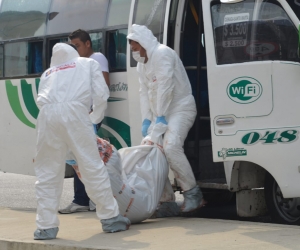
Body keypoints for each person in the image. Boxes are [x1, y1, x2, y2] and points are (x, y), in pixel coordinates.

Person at [33, 43, 130, 240]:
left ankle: (45, 227)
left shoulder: (47, 73)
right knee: (91, 166)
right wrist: (94, 117)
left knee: (47, 173)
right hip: (76, 113)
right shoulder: (87, 63)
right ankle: (110, 218)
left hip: (47, 116)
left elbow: (40, 100)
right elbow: (101, 93)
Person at [127, 24, 205, 213]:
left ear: (143, 42)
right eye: (132, 48)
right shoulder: (142, 65)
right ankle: (166, 201)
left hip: (180, 109)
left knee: (170, 147)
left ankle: (193, 194)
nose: (134, 51)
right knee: (150, 151)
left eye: (135, 46)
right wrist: (147, 120)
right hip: (160, 115)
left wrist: (160, 115)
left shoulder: (162, 54)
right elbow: (143, 92)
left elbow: (166, 86)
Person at [59, 29, 110, 214]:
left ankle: (92, 199)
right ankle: (83, 199)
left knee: (87, 158)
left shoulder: (97, 58)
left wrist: (92, 112)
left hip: (89, 117)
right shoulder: (78, 63)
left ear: (88, 43)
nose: (75, 49)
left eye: (78, 45)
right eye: (72, 46)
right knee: (79, 158)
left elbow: (103, 86)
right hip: (79, 117)